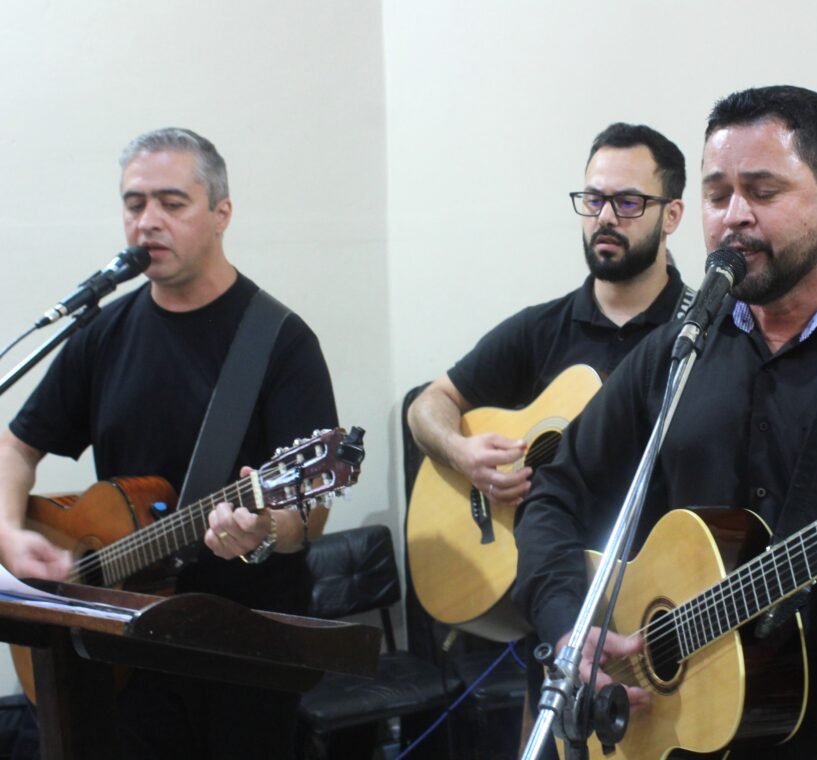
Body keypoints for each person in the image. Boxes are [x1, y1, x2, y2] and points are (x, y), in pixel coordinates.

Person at [513, 85, 817, 758]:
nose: (734, 216)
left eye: (763, 191)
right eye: (718, 194)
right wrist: (570, 626)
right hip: (672, 732)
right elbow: (555, 491)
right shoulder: (675, 351)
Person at [0, 127, 338, 759]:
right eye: (134, 204)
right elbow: (15, 448)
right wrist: (9, 532)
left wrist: (266, 530)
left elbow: (308, 512)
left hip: (242, 656)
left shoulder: (280, 343)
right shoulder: (104, 332)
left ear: (221, 214)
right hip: (121, 651)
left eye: (171, 203)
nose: (147, 221)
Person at [407, 122, 690, 505]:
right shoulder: (539, 329)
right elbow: (428, 404)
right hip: (528, 554)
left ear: (671, 216)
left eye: (627, 202)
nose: (604, 217)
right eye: (593, 200)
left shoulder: (700, 333)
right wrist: (462, 454)